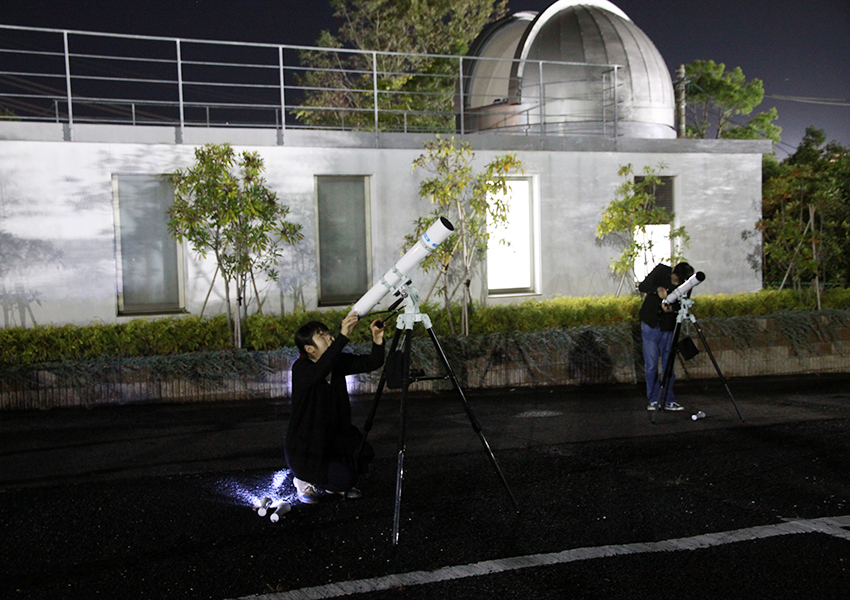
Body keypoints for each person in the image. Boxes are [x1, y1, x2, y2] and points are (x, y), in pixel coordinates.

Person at [285, 313, 385, 504]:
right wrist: (343, 336)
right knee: (335, 476)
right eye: (321, 335)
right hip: (306, 447)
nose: (329, 337)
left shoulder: (335, 363)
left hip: (332, 440)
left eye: (328, 333)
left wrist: (378, 339)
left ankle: (331, 484)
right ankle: (303, 479)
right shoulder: (302, 368)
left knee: (354, 467)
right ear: (309, 349)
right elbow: (319, 372)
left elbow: (372, 362)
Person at [638, 261, 695, 411]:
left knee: (668, 366)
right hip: (651, 323)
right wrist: (657, 290)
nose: (677, 283)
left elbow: (682, 304)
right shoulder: (661, 271)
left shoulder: (686, 284)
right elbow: (642, 286)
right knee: (651, 366)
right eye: (675, 280)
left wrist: (672, 308)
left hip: (669, 326)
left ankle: (668, 399)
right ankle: (653, 399)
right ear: (672, 272)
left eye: (680, 282)